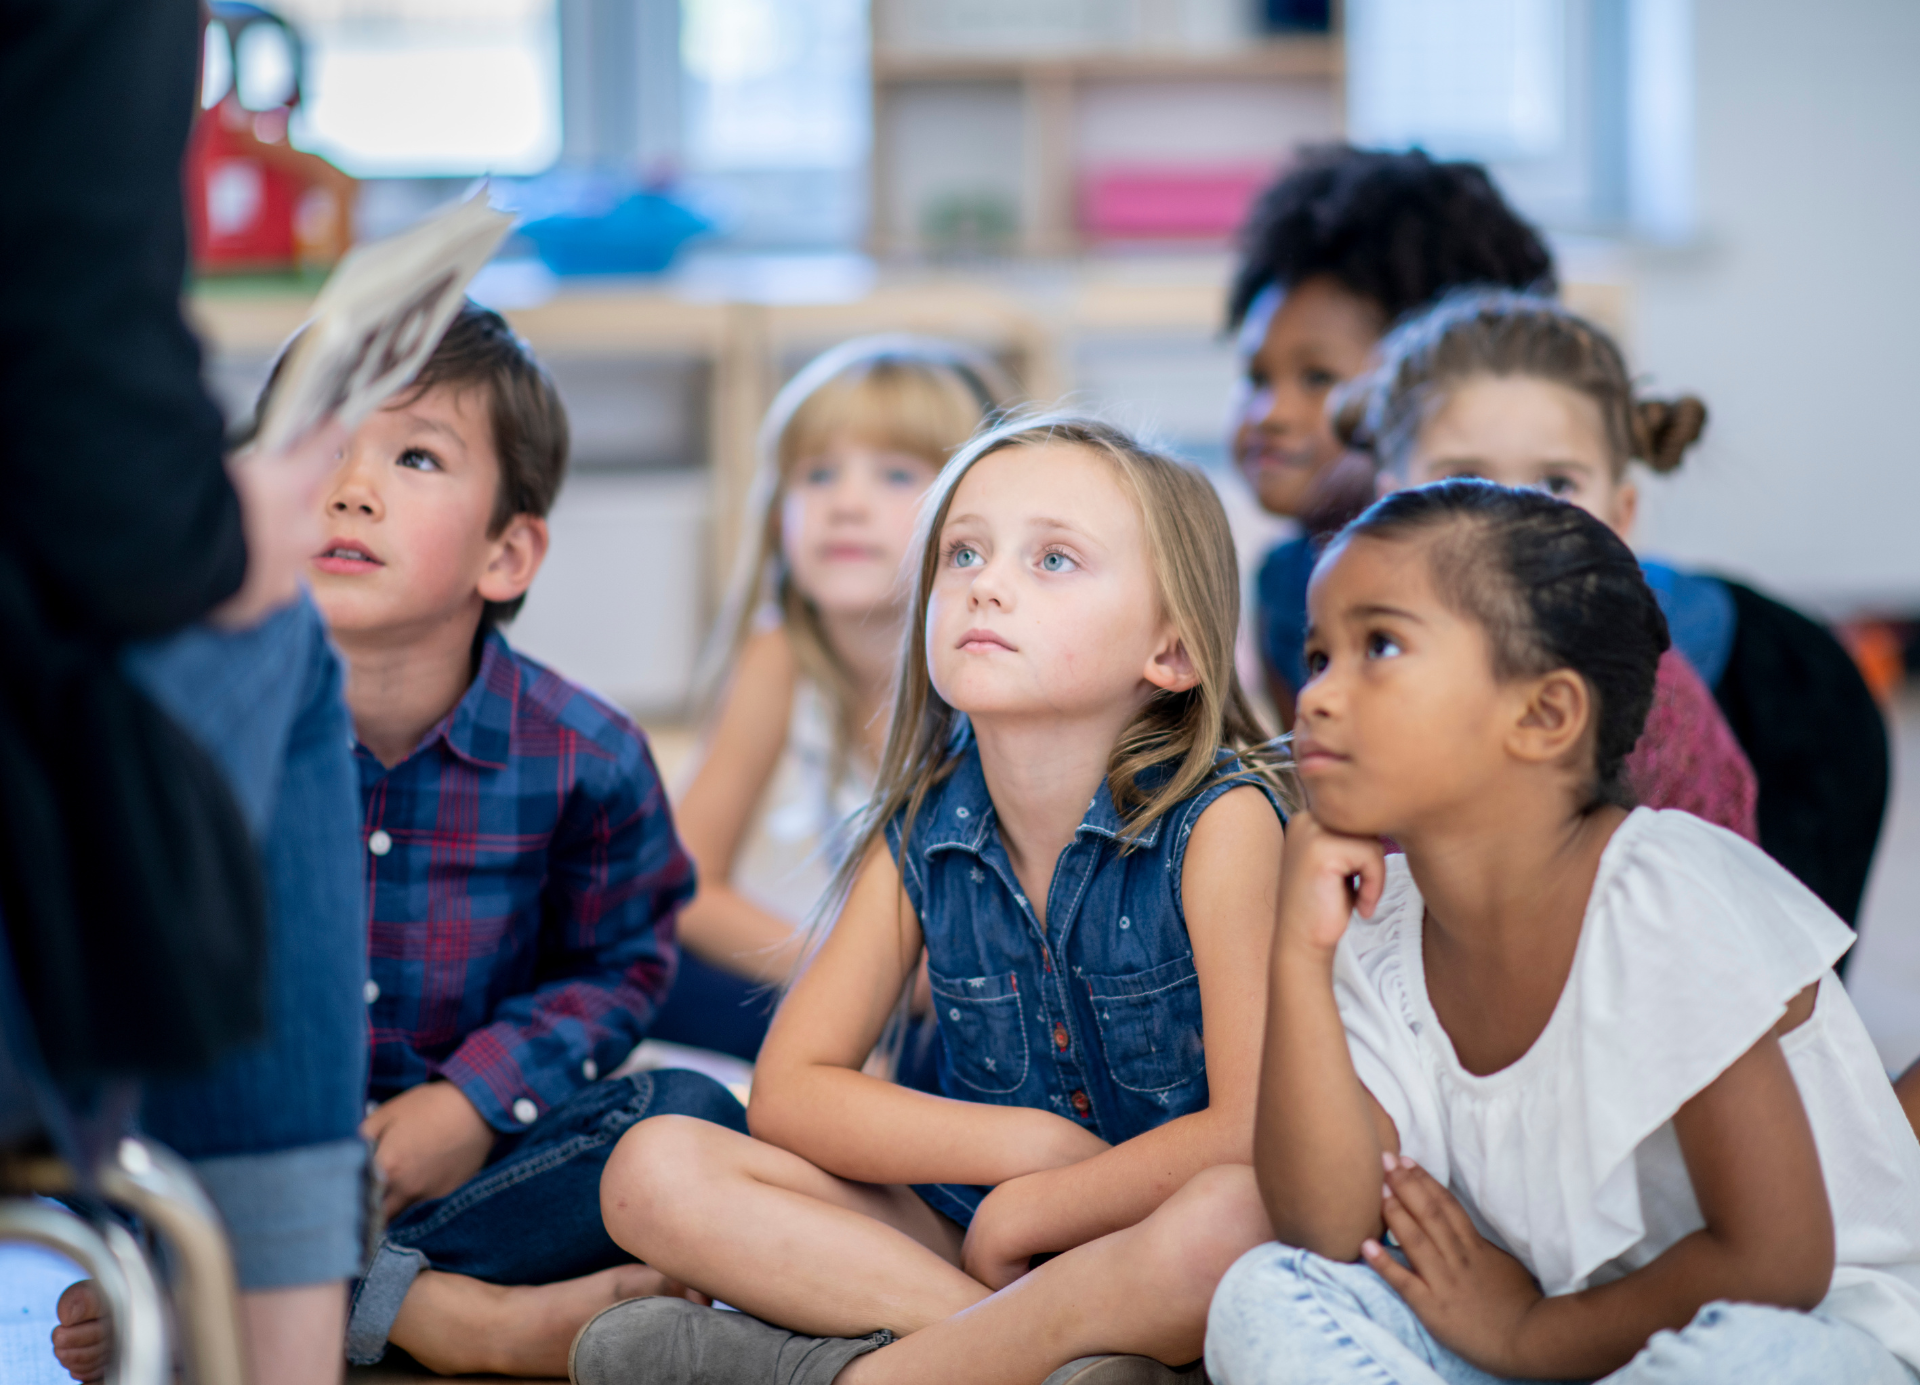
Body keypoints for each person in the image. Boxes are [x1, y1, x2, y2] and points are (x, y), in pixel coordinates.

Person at [54, 302, 750, 1383]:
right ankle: (434, 1313)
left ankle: (297, 1297)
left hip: (471, 1174)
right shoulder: (189, 728)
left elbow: (623, 967)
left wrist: (471, 1100)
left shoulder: (586, 752)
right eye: (316, 449)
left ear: (506, 552)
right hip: (240, 1160)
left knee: (688, 1114)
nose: (351, 485)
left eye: (415, 454)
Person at [570, 416, 1292, 1385]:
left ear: (1171, 650)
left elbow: (1257, 1127)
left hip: (1157, 1231)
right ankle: (1033, 1354)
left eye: (1054, 559)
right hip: (970, 1238)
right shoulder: (918, 823)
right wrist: (1030, 1149)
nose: (986, 582)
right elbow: (794, 1089)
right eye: (964, 551)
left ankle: (866, 1371)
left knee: (1236, 1216)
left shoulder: (1224, 821)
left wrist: (1040, 1206)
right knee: (653, 1168)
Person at [1207, 481, 1920, 1385]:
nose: (1316, 697)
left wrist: (1530, 1335)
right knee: (1267, 1291)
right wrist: (1298, 955)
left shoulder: (1659, 893)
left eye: (1378, 646)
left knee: (1755, 1358)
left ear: (1545, 715)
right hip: (1551, 1350)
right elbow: (1327, 1225)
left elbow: (1778, 1262)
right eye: (1315, 657)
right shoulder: (1377, 924)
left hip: (1803, 1336)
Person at [652, 336, 1007, 1063]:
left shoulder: (998, 675)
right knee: (623, 961)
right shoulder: (779, 658)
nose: (846, 503)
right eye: (817, 475)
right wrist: (833, 976)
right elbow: (684, 882)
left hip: (945, 1001)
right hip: (790, 973)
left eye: (895, 473)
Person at [1347, 290, 1757, 839]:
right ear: (1389, 507)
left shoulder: (1660, 713)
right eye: (1467, 478)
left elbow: (1711, 899)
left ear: (1621, 513)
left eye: (1557, 483)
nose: (1516, 517)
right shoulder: (1357, 681)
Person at [1227, 145, 1556, 726]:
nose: (1270, 413)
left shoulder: (1503, 590)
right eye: (1256, 378)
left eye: (1318, 378)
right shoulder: (1282, 586)